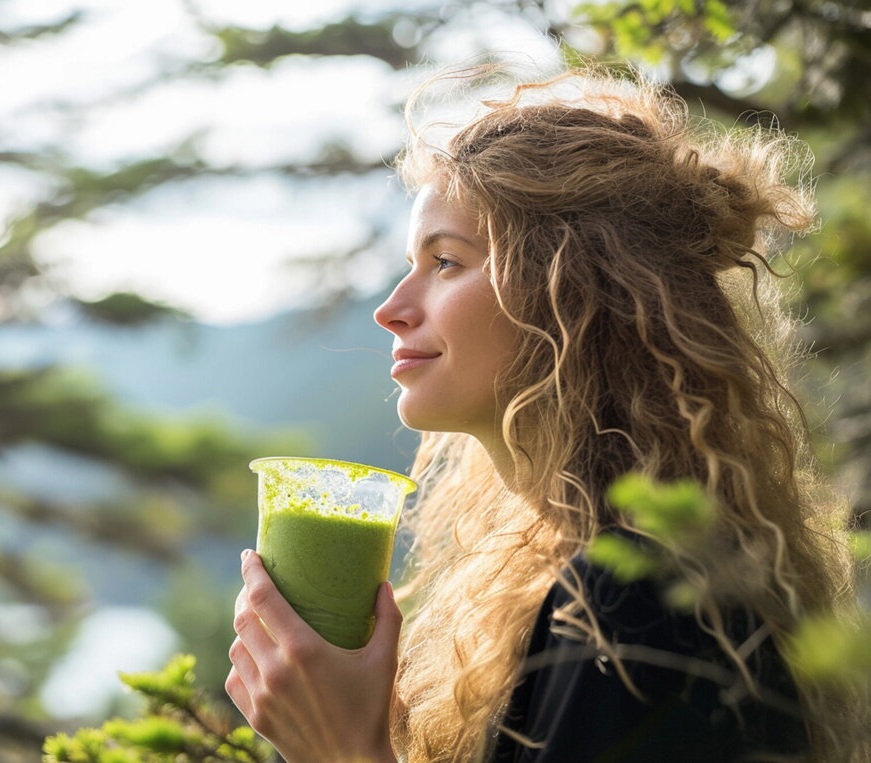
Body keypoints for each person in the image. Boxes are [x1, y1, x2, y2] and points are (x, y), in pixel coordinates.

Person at [225, 61, 867, 762]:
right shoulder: (562, 587)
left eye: (446, 262)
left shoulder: (633, 605)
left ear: (572, 291)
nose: (391, 308)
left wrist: (346, 749)